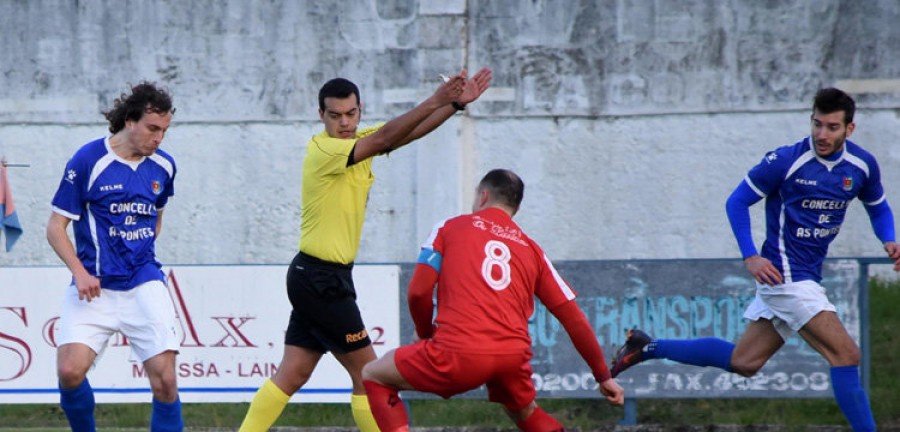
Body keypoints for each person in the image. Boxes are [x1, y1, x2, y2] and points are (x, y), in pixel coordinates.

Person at [610, 87, 900, 432]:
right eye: (817, 124)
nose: (822, 134)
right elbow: (736, 202)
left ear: (849, 129)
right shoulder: (785, 161)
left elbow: (877, 206)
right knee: (847, 356)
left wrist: (890, 239)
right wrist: (750, 255)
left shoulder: (861, 165)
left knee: (744, 362)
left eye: (832, 127)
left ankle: (647, 347)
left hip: (804, 277)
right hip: (787, 277)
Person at [238, 68, 493, 432]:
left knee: (291, 375)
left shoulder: (360, 142)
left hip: (316, 277)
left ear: (360, 111)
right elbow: (388, 135)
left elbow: (404, 132)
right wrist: (437, 98)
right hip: (320, 279)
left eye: (351, 114)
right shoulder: (326, 149)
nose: (344, 122)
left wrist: (453, 104)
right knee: (369, 374)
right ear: (321, 116)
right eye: (335, 115)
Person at [361, 169, 625, 432]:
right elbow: (574, 319)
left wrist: (425, 334)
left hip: (458, 352)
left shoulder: (450, 227)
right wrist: (603, 376)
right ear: (516, 208)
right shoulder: (531, 249)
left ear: (483, 196)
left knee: (374, 375)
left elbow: (418, 292)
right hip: (512, 356)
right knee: (525, 412)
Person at [46, 82, 183, 432]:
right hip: (94, 287)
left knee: (166, 382)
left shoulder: (163, 167)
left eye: (164, 131)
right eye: (153, 129)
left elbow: (157, 216)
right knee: (69, 372)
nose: (159, 138)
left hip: (143, 283)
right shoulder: (89, 159)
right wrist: (79, 271)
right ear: (130, 121)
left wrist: (136, 254)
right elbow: (55, 227)